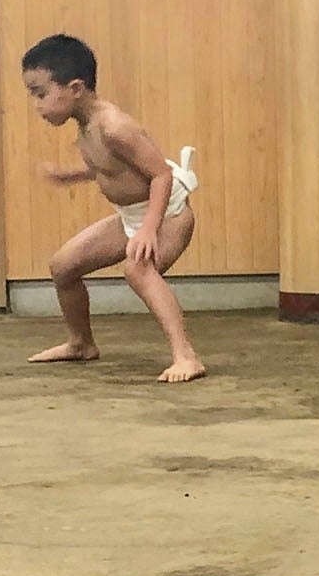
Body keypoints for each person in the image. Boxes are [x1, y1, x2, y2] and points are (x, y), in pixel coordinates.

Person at [21, 34, 206, 383]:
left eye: (41, 94)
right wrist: (70, 175)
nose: (36, 105)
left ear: (75, 88)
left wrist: (149, 229)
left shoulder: (115, 126)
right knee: (63, 267)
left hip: (168, 214)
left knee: (138, 271)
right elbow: (113, 168)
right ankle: (81, 343)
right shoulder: (86, 126)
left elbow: (161, 175)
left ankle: (186, 356)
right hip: (132, 215)